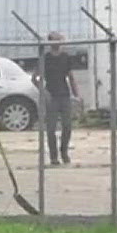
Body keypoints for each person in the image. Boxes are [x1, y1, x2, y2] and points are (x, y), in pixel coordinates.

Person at [40, 32, 78, 164]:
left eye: (60, 40)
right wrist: (44, 92)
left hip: (64, 94)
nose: (58, 43)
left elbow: (71, 76)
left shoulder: (65, 57)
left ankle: (64, 152)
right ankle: (53, 156)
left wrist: (76, 94)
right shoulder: (46, 58)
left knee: (67, 126)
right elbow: (36, 78)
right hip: (52, 95)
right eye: (56, 40)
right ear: (50, 42)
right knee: (51, 128)